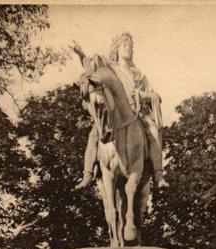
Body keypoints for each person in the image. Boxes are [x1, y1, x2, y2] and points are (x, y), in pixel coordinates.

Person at [70, 32, 169, 190]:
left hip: (137, 113)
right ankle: (87, 174)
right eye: (124, 45)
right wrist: (80, 54)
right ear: (116, 49)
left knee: (153, 131)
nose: (128, 48)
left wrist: (143, 95)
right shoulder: (111, 69)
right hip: (114, 113)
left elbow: (154, 94)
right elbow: (92, 68)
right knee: (94, 133)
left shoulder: (140, 75)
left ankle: (158, 175)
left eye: (130, 45)